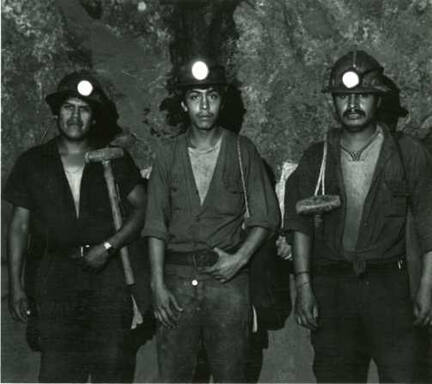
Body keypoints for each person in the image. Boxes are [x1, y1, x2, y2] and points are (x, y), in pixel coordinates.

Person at [284, 50, 432, 383]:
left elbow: (428, 224)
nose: (352, 104)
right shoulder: (316, 158)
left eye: (362, 95)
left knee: (403, 376)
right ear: (333, 102)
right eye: (343, 96)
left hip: (390, 287)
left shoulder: (408, 153)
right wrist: (304, 286)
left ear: (377, 100)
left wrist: (427, 287)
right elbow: (301, 228)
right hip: (334, 286)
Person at [4, 71, 147, 383]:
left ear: (93, 118)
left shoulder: (114, 160)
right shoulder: (33, 162)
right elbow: (19, 227)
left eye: (84, 109)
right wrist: (16, 284)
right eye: (69, 107)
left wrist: (110, 246)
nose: (75, 116)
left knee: (111, 365)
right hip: (55, 275)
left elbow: (141, 208)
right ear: (57, 113)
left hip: (106, 274)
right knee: (58, 368)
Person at [143, 58, 280, 382]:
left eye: (212, 96)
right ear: (183, 103)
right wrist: (157, 283)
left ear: (222, 100)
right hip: (176, 280)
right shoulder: (167, 154)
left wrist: (239, 259)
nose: (204, 106)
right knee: (174, 375)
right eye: (195, 97)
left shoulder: (242, 150)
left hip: (228, 283)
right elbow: (154, 224)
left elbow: (267, 216)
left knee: (231, 374)